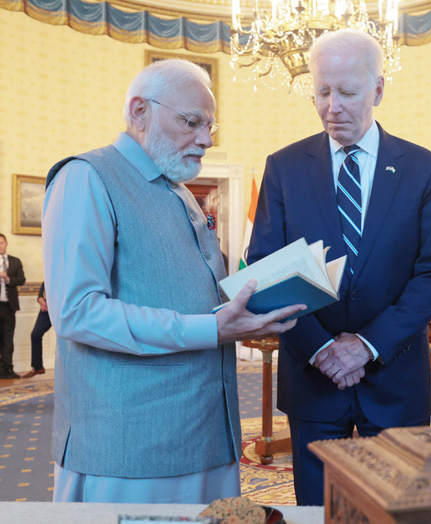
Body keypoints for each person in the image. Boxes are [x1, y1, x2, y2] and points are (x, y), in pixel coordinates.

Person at [42, 59, 305, 504]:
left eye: (210, 126)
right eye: (191, 122)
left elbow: (187, 295)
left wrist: (251, 310)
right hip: (130, 449)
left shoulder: (178, 191)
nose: (205, 139)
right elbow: (77, 312)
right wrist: (213, 329)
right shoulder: (85, 177)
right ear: (139, 111)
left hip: (205, 432)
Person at [247, 29, 431, 505]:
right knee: (318, 509)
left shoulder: (424, 168)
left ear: (378, 90)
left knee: (399, 508)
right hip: (312, 378)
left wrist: (366, 346)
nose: (331, 107)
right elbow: (266, 264)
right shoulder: (283, 166)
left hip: (395, 377)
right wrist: (321, 348)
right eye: (321, 91)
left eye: (347, 92)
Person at [0, 233, 26, 379]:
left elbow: (22, 280)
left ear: (6, 243)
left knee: (8, 340)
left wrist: (8, 278)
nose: (0, 246)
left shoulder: (15, 261)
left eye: (2, 243)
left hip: (9, 307)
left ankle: (9, 370)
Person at [21, 283, 49, 378]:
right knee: (35, 335)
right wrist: (41, 300)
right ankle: (38, 367)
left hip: (61, 309)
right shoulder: (49, 275)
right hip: (46, 309)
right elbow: (41, 295)